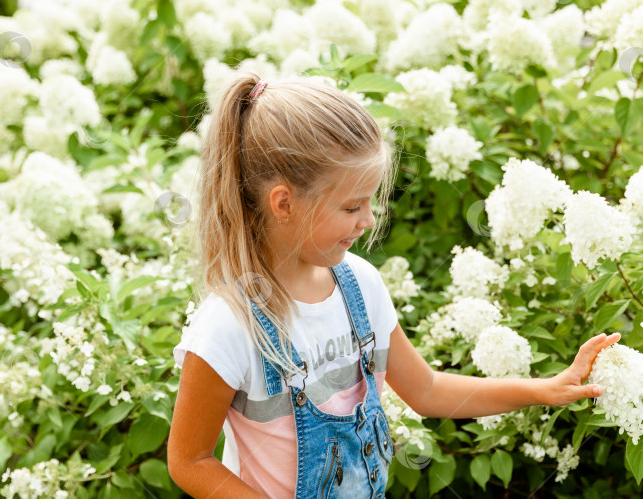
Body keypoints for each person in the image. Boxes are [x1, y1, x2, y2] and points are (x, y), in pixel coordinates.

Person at [166, 70, 620, 499]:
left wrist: (544, 388)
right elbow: (189, 460)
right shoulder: (230, 325)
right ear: (283, 203)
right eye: (351, 207)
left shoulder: (360, 287)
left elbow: (425, 391)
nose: (367, 221)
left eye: (370, 203)